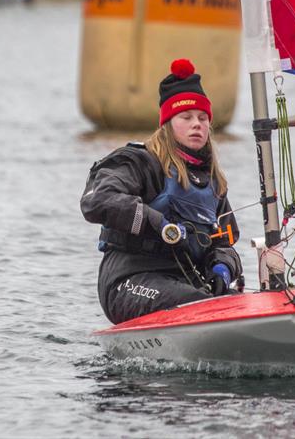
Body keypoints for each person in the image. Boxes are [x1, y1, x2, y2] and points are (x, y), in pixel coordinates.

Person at [81, 58, 243, 325]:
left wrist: (223, 268)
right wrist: (155, 222)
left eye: (203, 118)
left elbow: (225, 243)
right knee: (204, 306)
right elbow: (96, 201)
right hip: (128, 281)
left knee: (231, 303)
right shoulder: (138, 161)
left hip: (186, 284)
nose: (197, 124)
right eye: (186, 117)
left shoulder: (213, 183)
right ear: (167, 124)